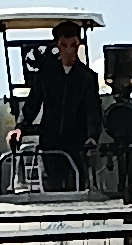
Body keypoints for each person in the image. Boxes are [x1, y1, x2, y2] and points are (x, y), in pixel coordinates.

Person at [16, 19, 101, 182]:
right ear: (57, 46)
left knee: (78, 182)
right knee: (52, 182)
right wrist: (20, 127)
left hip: (78, 142)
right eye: (64, 45)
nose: (69, 50)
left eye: (73, 45)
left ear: (78, 46)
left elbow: (93, 110)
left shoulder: (87, 78)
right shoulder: (46, 75)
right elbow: (33, 103)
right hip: (50, 140)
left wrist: (92, 136)